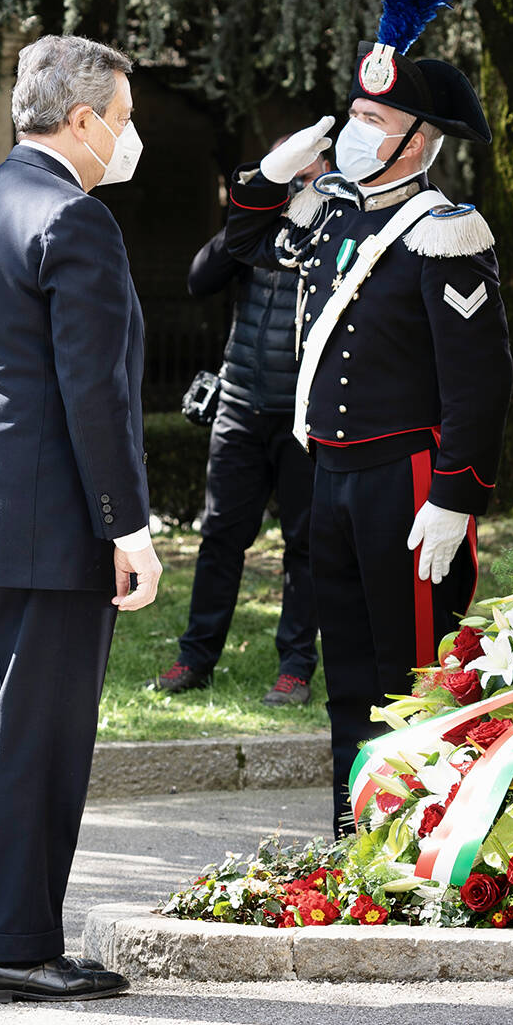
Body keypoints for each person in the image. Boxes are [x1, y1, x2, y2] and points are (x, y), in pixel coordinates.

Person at [222, 0, 513, 833]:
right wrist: (267, 176)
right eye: (354, 115)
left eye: (373, 121)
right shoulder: (334, 214)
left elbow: (481, 381)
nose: (354, 132)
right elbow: (232, 248)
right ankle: (357, 834)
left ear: (418, 141)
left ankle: (421, 835)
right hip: (329, 475)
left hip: (407, 482)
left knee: (412, 671)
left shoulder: (444, 233)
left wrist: (457, 497)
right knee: (345, 668)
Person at [0, 34, 161, 1004]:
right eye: (121, 116)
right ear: (80, 120)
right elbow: (93, 394)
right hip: (57, 521)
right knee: (43, 739)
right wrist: (131, 524)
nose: (128, 135)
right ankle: (15, 949)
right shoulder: (77, 221)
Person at [152, 148, 325, 703]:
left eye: (306, 175)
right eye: (288, 175)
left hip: (305, 419)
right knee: (220, 538)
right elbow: (200, 278)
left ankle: (296, 667)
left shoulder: (341, 230)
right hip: (240, 406)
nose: (297, 185)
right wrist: (249, 212)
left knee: (304, 546)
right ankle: (195, 659)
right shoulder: (253, 231)